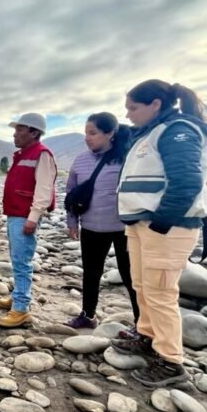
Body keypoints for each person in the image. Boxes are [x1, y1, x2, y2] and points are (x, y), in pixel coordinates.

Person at [110, 79, 207, 387]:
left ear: (155, 104)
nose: (129, 114)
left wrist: (163, 221)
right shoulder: (152, 132)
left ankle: (170, 360)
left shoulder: (178, 131)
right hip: (141, 224)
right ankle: (147, 334)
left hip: (164, 226)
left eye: (134, 108)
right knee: (142, 285)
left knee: (160, 292)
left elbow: (187, 180)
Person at [65, 113, 138, 329]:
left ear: (110, 134)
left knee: (131, 276)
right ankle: (88, 315)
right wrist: (72, 221)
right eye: (86, 133)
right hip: (91, 227)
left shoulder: (127, 158)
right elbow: (71, 192)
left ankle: (142, 324)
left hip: (125, 228)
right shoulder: (81, 160)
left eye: (93, 133)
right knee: (91, 273)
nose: (87, 138)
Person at [0, 113, 57, 327]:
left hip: (24, 216)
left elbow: (44, 189)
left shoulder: (42, 155)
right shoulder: (24, 154)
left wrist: (33, 217)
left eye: (20, 130)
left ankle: (21, 308)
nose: (15, 134)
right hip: (16, 214)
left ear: (34, 132)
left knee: (22, 261)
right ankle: (18, 296)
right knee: (17, 257)